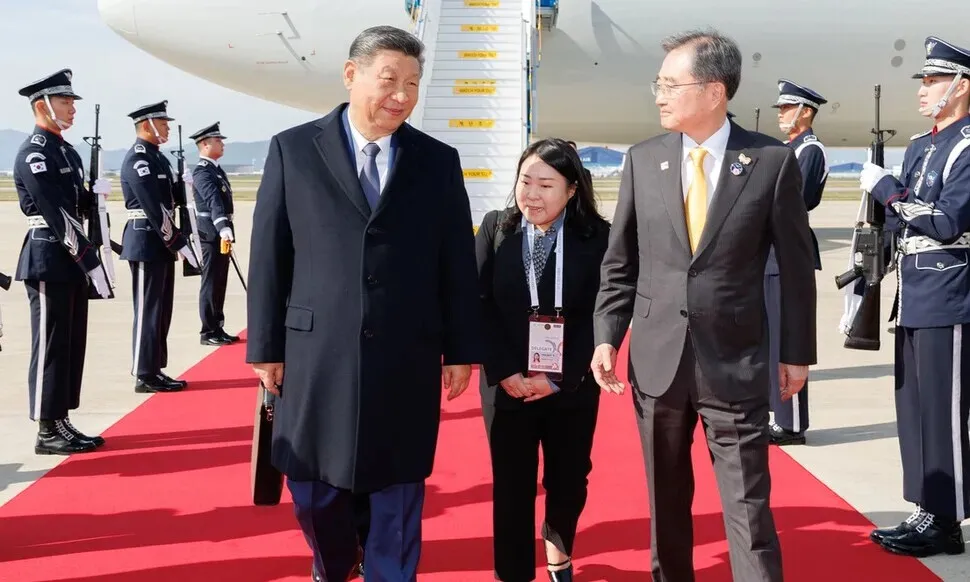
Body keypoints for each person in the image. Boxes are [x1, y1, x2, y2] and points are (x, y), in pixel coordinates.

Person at [245, 25, 483, 582]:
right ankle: (333, 563)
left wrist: (459, 349)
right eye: (389, 80)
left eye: (413, 83)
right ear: (352, 75)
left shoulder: (437, 161)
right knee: (314, 494)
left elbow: (455, 262)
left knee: (398, 491)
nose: (402, 94)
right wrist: (265, 346)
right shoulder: (294, 150)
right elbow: (269, 256)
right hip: (315, 355)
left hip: (406, 351)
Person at [590, 29, 817, 581]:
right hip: (657, 361)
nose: (660, 95)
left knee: (748, 511)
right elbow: (620, 261)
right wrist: (606, 335)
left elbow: (794, 267)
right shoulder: (643, 160)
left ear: (715, 91)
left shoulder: (769, 161)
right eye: (659, 84)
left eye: (671, 84)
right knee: (665, 507)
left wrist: (796, 353)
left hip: (734, 362)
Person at [476, 138, 610, 582]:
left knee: (570, 479)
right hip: (508, 382)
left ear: (573, 190)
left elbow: (604, 313)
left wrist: (559, 377)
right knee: (511, 485)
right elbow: (475, 303)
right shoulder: (497, 229)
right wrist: (504, 371)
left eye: (545, 185)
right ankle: (512, 574)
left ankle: (558, 546)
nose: (531, 194)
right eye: (524, 181)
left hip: (570, 383)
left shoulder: (598, 239)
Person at [861, 35, 970, 558]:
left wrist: (888, 191)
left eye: (932, 80)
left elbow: (947, 221)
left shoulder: (967, 145)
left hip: (949, 291)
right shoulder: (921, 145)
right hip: (913, 292)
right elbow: (899, 220)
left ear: (960, 85)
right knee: (914, 407)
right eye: (924, 80)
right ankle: (926, 507)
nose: (924, 90)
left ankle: (946, 518)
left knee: (944, 411)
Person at [13, 68, 112, 455]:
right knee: (51, 343)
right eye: (65, 101)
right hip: (48, 256)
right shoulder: (34, 153)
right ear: (42, 105)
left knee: (70, 343)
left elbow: (77, 205)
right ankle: (46, 426)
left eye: (71, 101)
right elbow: (57, 214)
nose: (72, 108)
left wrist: (94, 197)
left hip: (69, 258)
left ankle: (62, 419)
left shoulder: (65, 149)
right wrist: (90, 259)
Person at [119, 100, 199, 393]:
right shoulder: (139, 159)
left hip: (160, 243)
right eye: (162, 123)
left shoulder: (158, 158)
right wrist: (177, 239)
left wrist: (183, 187)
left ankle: (155, 367)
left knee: (161, 309)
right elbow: (153, 206)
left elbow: (170, 199)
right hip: (145, 241)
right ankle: (143, 372)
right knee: (148, 309)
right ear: (146, 125)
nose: (166, 128)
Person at [767, 79, 829, 445]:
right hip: (772, 252)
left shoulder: (809, 149)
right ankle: (777, 412)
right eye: (780, 108)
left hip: (788, 253)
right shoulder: (788, 148)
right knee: (772, 337)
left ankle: (791, 423)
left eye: (787, 108)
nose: (781, 114)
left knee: (788, 338)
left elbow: (796, 201)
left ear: (806, 112)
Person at [186, 121, 239, 346]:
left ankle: (218, 325)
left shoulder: (215, 170)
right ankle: (207, 331)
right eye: (218, 140)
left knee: (220, 280)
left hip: (220, 232)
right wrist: (223, 227)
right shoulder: (202, 172)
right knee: (211, 280)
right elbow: (213, 201)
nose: (222, 144)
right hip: (211, 233)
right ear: (205, 144)